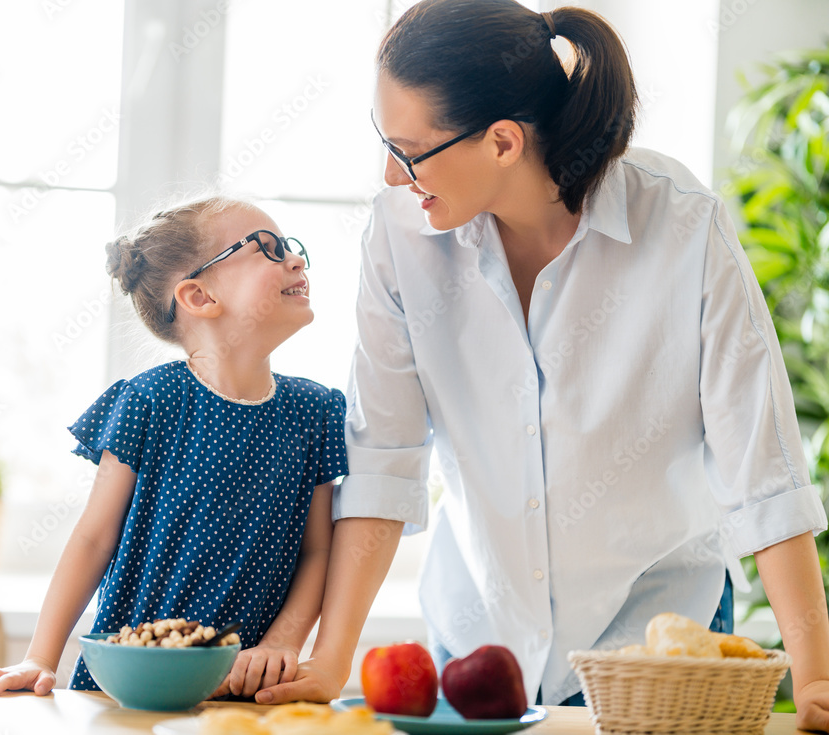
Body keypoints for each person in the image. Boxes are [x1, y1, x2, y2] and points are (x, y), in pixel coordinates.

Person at [253, 1, 829, 730]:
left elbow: (763, 471)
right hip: (477, 648)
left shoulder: (682, 226)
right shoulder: (399, 238)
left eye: (410, 150)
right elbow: (385, 461)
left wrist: (815, 678)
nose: (394, 177)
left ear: (501, 142)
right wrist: (330, 661)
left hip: (657, 644)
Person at [0, 196, 347, 699]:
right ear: (199, 296)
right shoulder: (150, 401)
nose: (295, 259)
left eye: (290, 247)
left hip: (249, 696)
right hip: (126, 691)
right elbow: (93, 540)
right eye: (266, 250)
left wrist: (281, 644)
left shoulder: (314, 412)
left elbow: (318, 551)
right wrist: (40, 657)